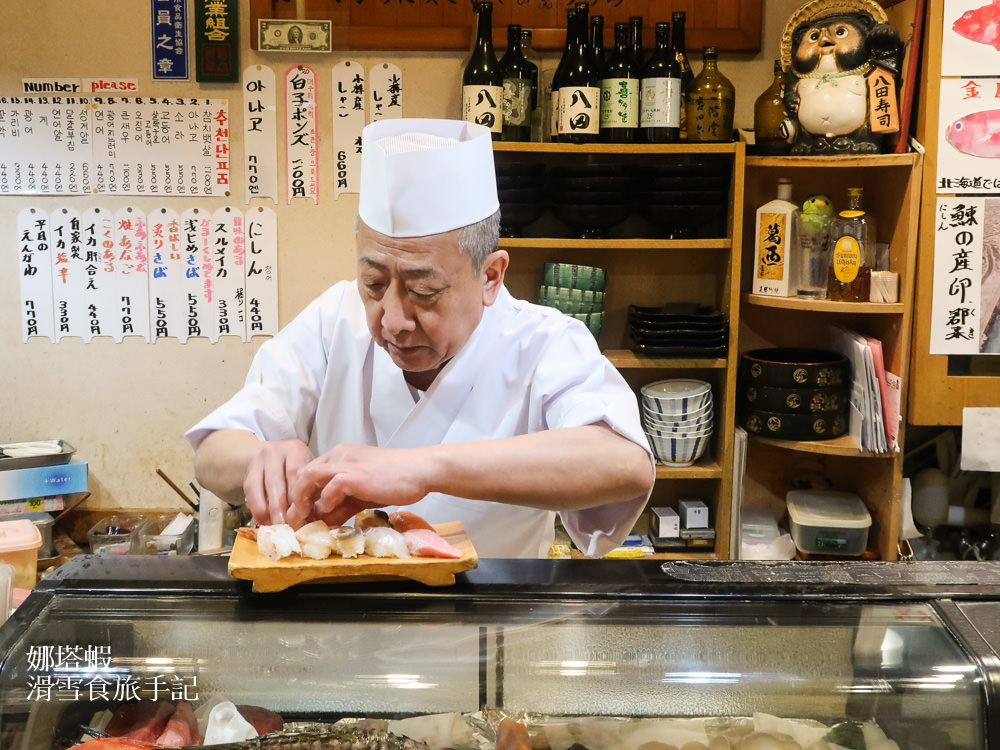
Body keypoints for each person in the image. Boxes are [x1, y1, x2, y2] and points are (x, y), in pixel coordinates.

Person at [186, 118, 654, 558]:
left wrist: (423, 468)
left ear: (490, 276)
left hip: (489, 634)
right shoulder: (335, 320)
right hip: (341, 634)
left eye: (423, 292)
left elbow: (624, 463)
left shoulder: (542, 342)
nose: (392, 319)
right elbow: (212, 454)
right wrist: (261, 459)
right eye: (373, 284)